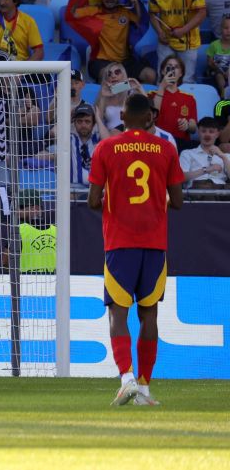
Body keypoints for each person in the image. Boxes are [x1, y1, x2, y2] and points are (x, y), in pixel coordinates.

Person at [87, 92, 184, 406]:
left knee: (117, 311)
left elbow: (91, 200)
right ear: (150, 118)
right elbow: (179, 202)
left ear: (123, 118)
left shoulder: (106, 148)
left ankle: (126, 377)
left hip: (119, 242)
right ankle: (143, 388)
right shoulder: (166, 149)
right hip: (155, 244)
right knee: (150, 314)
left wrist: (116, 204)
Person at [72, 0, 152, 82]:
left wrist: (136, 2)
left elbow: (141, 22)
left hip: (125, 61)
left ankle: (128, 91)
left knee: (151, 75)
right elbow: (72, 13)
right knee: (110, 80)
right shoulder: (93, 11)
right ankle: (127, 91)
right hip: (101, 61)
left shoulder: (126, 12)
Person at [149, 0, 206, 80]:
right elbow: (152, 14)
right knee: (164, 79)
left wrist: (183, 30)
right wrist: (159, 32)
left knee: (186, 80)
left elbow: (202, 12)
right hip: (165, 41)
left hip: (188, 41)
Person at [150, 55, 198, 145]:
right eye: (169, 66)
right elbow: (152, 117)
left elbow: (194, 128)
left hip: (180, 143)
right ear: (162, 71)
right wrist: (162, 87)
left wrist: (187, 125)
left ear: (181, 73)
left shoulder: (189, 98)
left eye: (176, 67)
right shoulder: (151, 94)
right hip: (158, 142)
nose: (172, 69)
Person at [179, 117, 229, 190]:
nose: (207, 135)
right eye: (203, 131)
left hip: (221, 191)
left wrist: (223, 156)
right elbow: (181, 177)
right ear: (198, 132)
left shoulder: (225, 156)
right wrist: (206, 170)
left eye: (211, 132)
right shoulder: (187, 153)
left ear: (217, 134)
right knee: (204, 186)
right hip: (197, 190)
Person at [70, 102, 102, 186]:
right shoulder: (69, 139)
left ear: (93, 124)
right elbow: (52, 133)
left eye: (87, 121)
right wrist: (69, 117)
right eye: (79, 121)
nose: (83, 125)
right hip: (74, 190)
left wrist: (98, 119)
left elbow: (110, 144)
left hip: (96, 190)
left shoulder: (98, 139)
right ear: (74, 123)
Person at [207, 15, 230, 98]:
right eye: (226, 28)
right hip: (216, 70)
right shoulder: (214, 45)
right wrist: (212, 64)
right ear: (221, 29)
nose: (228, 31)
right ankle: (223, 94)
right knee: (219, 76)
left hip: (229, 71)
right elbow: (209, 62)